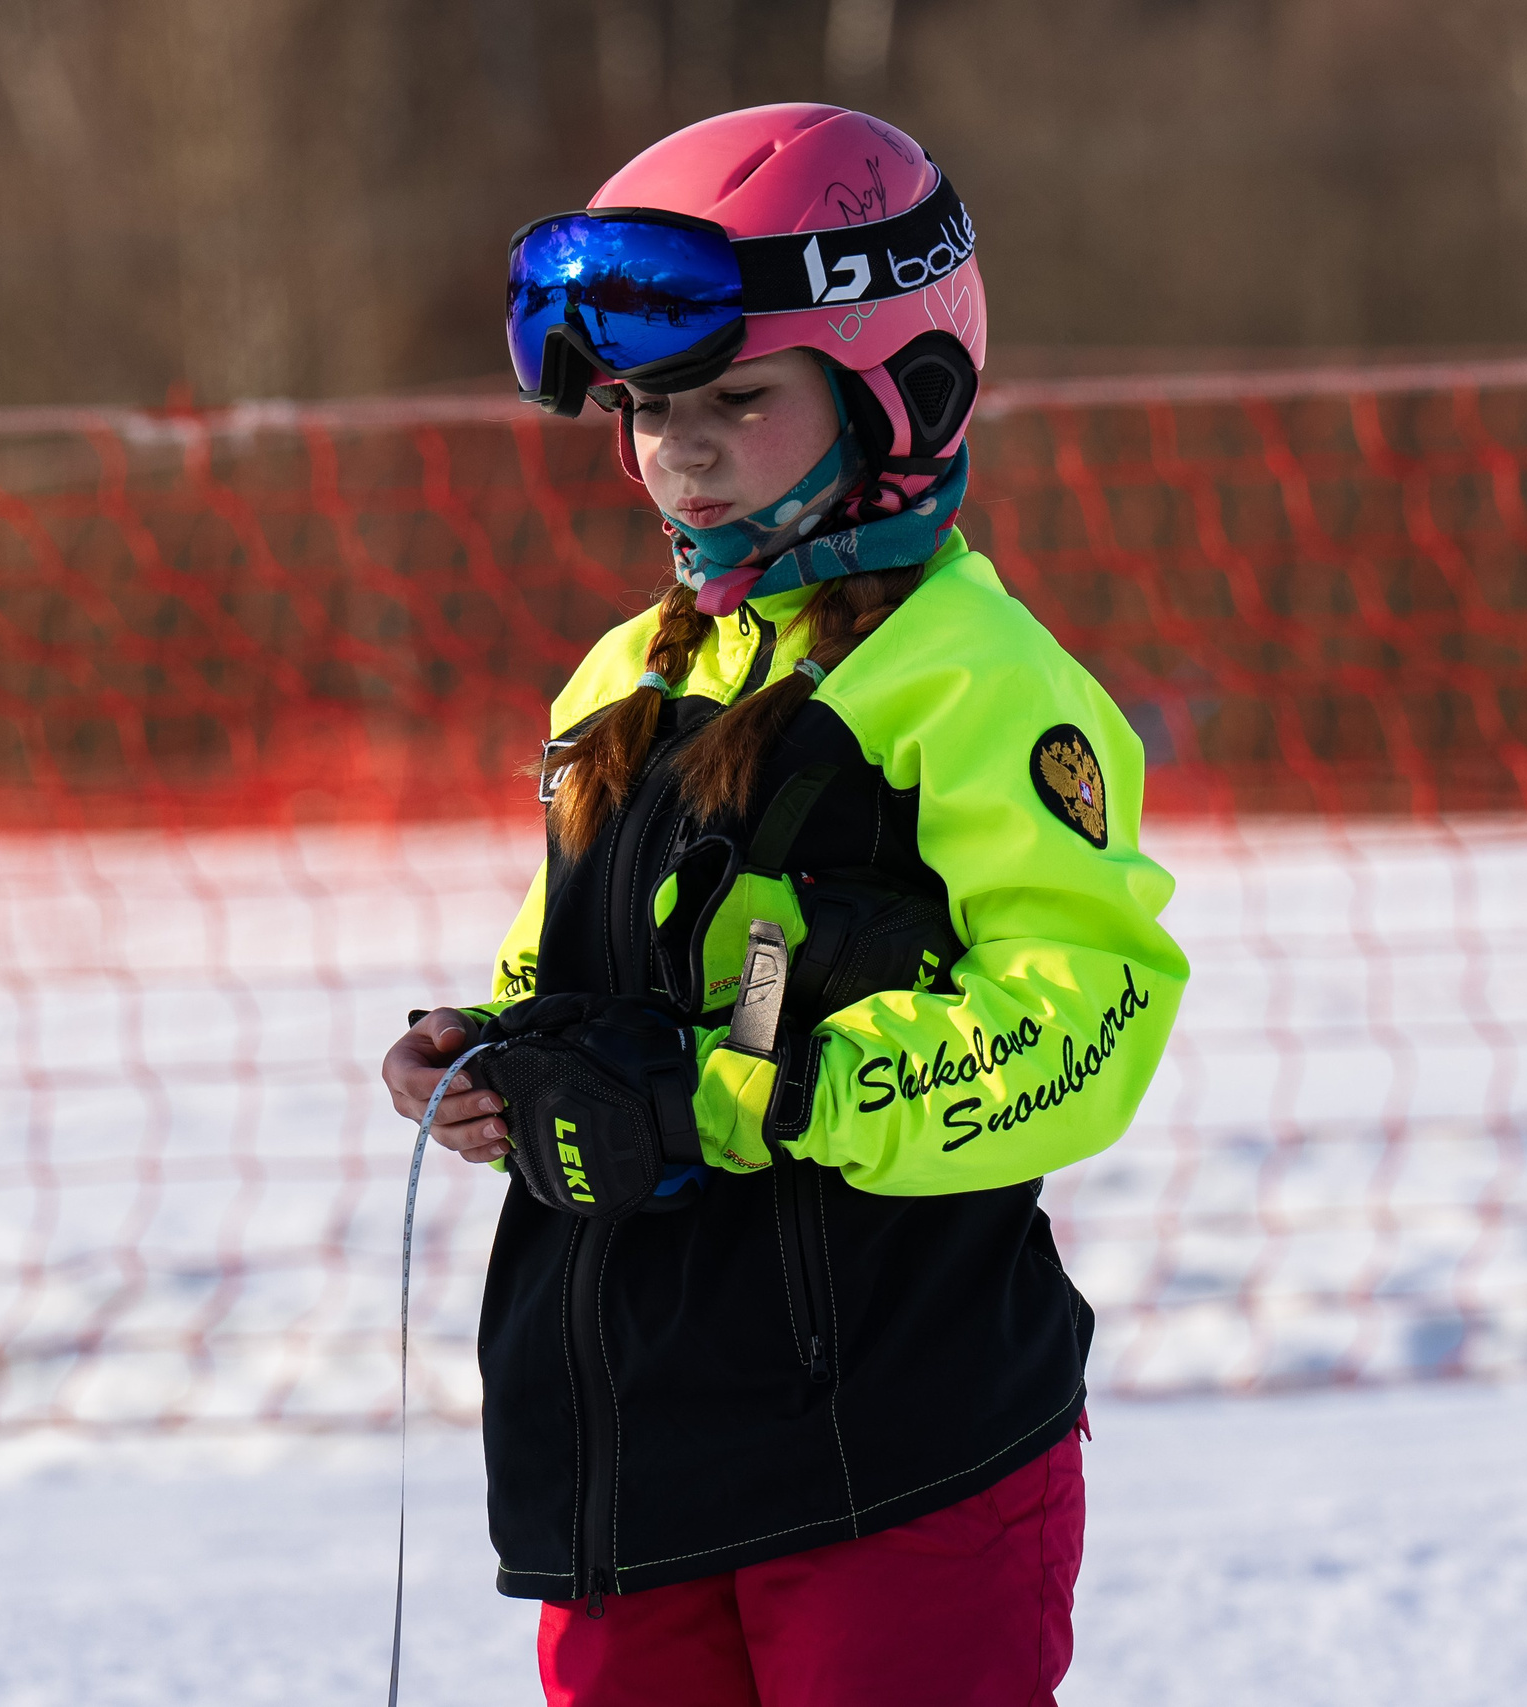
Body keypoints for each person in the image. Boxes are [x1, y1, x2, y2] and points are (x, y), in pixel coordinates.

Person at [380, 103, 1187, 1707]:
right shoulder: (625, 675)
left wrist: (753, 1099)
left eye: (736, 398)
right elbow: (582, 960)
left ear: (906, 393)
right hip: (636, 1452)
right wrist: (494, 1050)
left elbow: (1081, 1024)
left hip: (897, 1452)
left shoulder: (977, 688)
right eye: (644, 407)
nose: (676, 447)